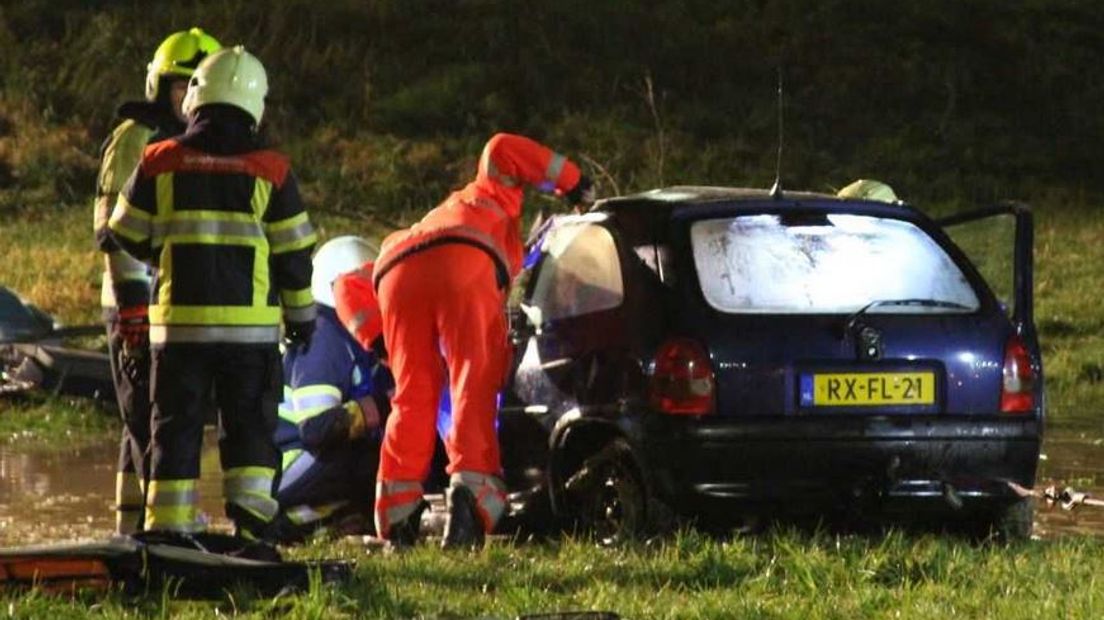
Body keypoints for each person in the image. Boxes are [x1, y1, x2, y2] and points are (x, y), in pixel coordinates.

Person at [105, 46, 317, 540]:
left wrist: (166, 249)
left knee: (174, 427)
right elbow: (294, 258)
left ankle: (168, 530)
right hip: (250, 338)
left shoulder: (159, 160)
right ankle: (253, 518)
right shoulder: (273, 170)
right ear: (256, 105)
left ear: (196, 96)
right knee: (249, 426)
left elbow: (123, 231)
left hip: (178, 333)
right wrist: (302, 320)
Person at [371, 133, 594, 549]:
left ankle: (397, 512)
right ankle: (472, 500)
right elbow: (502, 148)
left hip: (395, 271)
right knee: (473, 383)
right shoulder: (490, 192)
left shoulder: (457, 215)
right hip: (460, 262)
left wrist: (374, 339)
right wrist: (575, 183)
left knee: (414, 393)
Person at [92, 27, 221, 534]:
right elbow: (113, 236)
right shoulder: (136, 139)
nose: (187, 99)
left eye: (197, 88)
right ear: (158, 86)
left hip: (168, 305)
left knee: (139, 421)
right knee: (153, 418)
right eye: (178, 87)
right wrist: (131, 313)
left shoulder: (187, 144)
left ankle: (133, 533)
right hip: (137, 304)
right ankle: (166, 530)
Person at [273, 236, 387, 542]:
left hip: (307, 463)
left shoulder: (355, 338)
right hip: (287, 466)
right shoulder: (324, 338)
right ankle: (293, 522)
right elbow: (317, 429)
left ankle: (334, 517)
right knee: (373, 460)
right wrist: (382, 407)